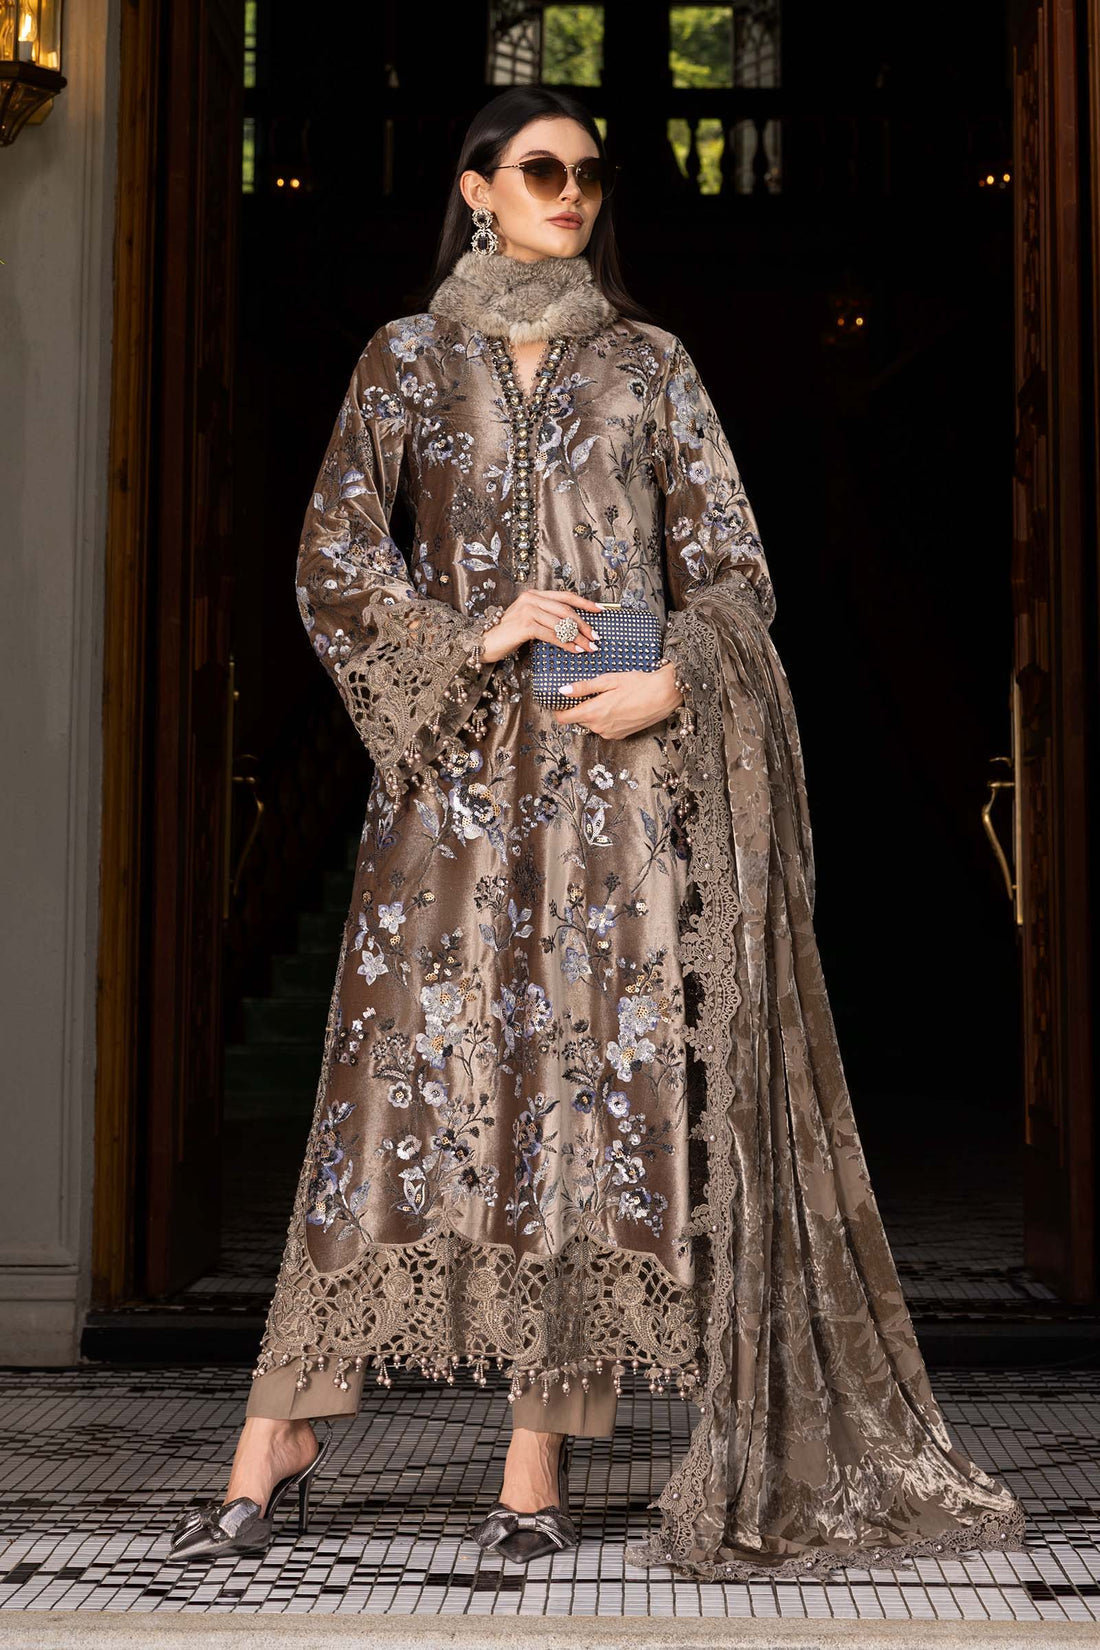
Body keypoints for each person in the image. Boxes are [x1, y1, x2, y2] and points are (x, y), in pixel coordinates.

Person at [167, 85, 1026, 1579]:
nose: (571, 192)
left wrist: (675, 680)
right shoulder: (404, 360)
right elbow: (331, 562)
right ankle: (278, 1430)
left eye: (589, 173)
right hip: (448, 790)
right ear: (477, 189)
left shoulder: (651, 364)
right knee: (383, 1103)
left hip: (614, 793)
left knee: (581, 1109)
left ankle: (535, 1458)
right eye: (541, 169)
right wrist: (473, 629)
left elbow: (737, 574)